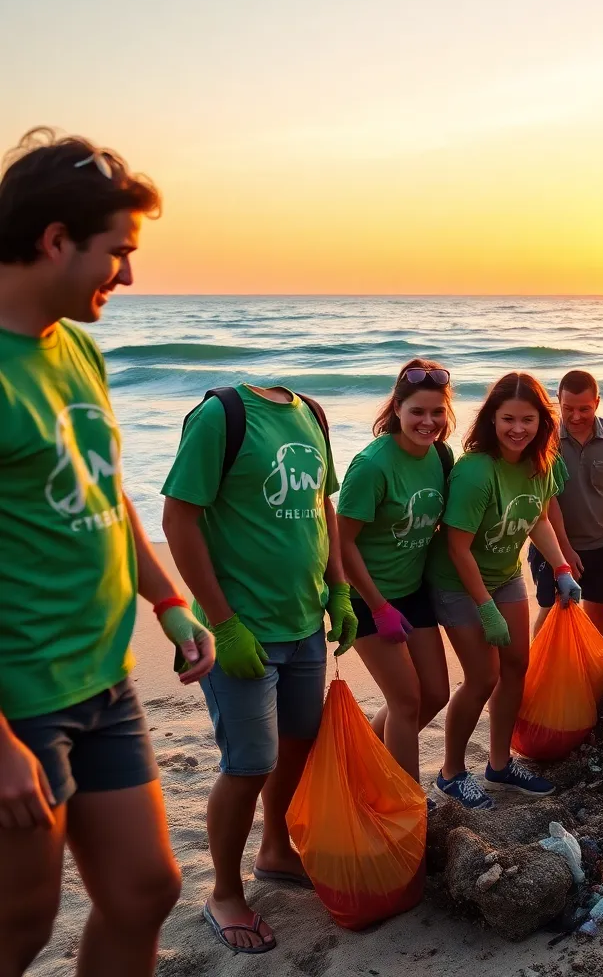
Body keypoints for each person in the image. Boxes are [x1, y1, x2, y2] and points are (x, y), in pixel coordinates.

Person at [0, 129, 215, 977]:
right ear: (56, 240)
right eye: (117, 253)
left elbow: (105, 490)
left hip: (101, 678)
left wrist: (169, 599)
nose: (126, 275)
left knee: (144, 890)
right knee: (19, 927)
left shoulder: (76, 345)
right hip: (19, 702)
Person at [162, 376, 357, 953]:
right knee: (248, 764)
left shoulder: (313, 415)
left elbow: (323, 508)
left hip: (304, 625)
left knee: (298, 743)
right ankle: (223, 893)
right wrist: (222, 623)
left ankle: (275, 850)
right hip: (241, 631)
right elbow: (179, 520)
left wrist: (340, 591)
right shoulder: (220, 416)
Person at [428, 372, 581, 809]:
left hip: (505, 574)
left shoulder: (542, 462)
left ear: (542, 422)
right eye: (508, 419)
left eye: (528, 420)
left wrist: (562, 568)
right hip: (459, 582)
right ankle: (451, 773)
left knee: (516, 665)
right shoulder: (477, 471)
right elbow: (457, 548)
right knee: (482, 677)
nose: (518, 429)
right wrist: (485, 608)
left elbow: (537, 519)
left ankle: (498, 766)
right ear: (492, 419)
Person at [336, 360, 453, 783]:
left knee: (435, 694)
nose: (428, 422)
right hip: (367, 596)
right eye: (417, 412)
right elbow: (341, 541)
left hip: (413, 590)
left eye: (437, 412)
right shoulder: (372, 466)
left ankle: (365, 762)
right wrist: (378, 606)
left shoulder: (440, 455)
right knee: (405, 702)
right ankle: (408, 802)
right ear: (397, 409)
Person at [528, 370, 603, 637]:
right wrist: (564, 549)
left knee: (599, 612)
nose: (576, 417)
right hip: (552, 544)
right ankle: (539, 670)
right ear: (558, 400)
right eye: (568, 408)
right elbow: (546, 498)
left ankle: (591, 667)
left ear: (597, 403)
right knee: (554, 610)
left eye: (584, 409)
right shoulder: (545, 438)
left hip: (600, 541)